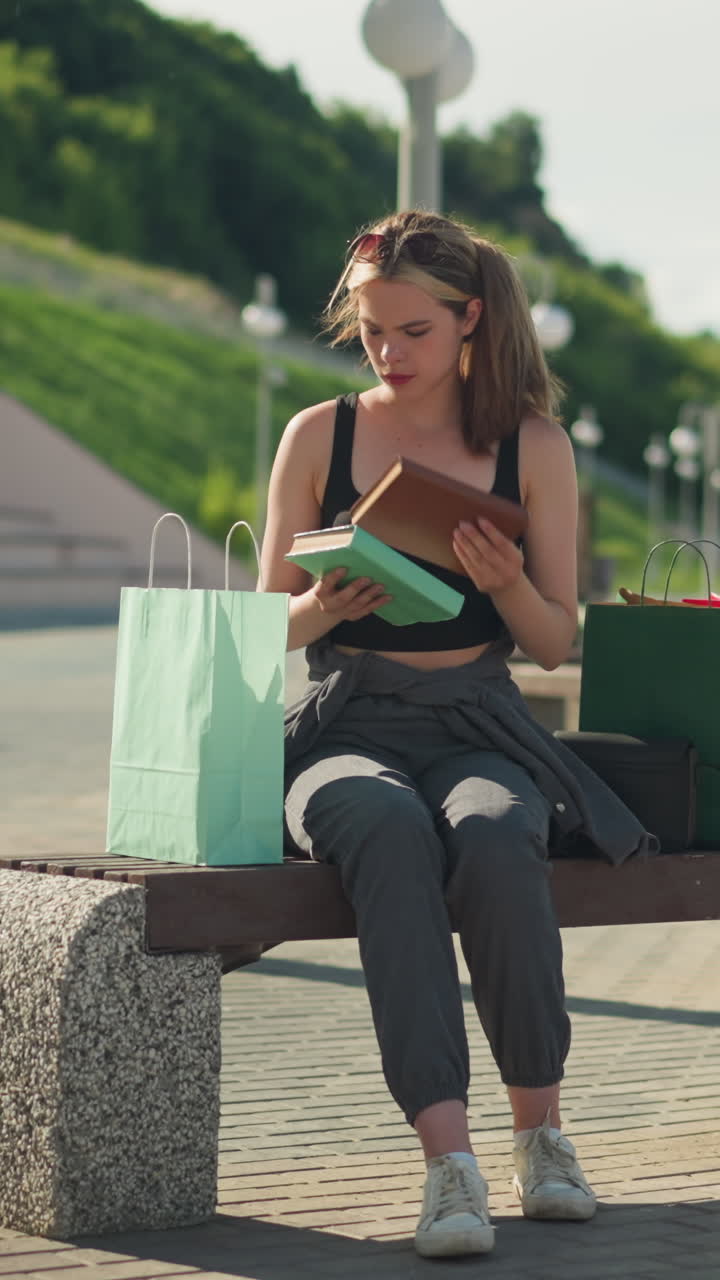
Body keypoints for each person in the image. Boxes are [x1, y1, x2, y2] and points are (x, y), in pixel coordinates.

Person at [261, 209, 654, 1260]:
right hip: (346, 723)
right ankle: (449, 1163)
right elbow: (263, 627)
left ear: (470, 317)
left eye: (412, 331)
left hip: (482, 720)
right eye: (371, 329)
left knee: (491, 832)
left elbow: (557, 643)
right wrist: (327, 607)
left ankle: (543, 1134)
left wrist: (507, 581)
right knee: (383, 824)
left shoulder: (533, 445)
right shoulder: (319, 435)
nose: (387, 353)